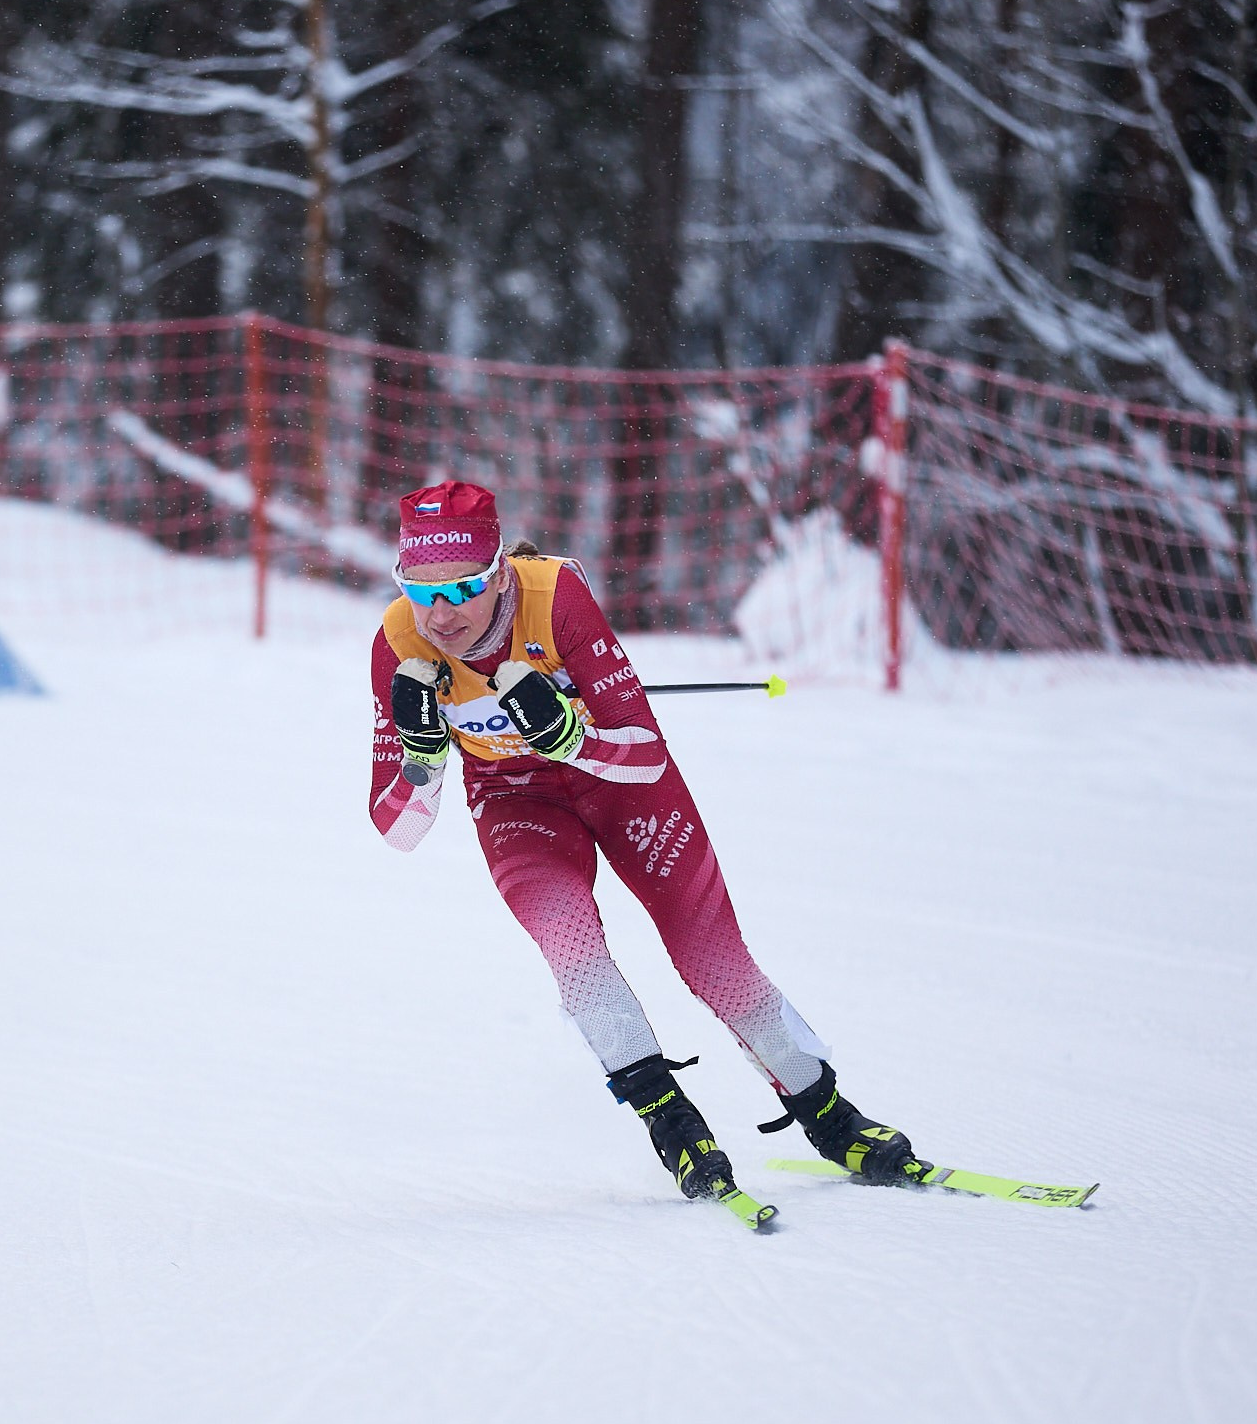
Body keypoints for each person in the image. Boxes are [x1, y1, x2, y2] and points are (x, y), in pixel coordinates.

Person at [368, 479, 926, 1205]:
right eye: (420, 589)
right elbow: (398, 828)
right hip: (517, 802)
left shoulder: (555, 598)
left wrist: (568, 733)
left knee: (713, 958)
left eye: (463, 587)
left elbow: (646, 751)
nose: (440, 614)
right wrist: (423, 755)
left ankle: (828, 1113)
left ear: (500, 570)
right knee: (573, 947)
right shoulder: (397, 642)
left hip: (623, 786)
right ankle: (671, 1121)